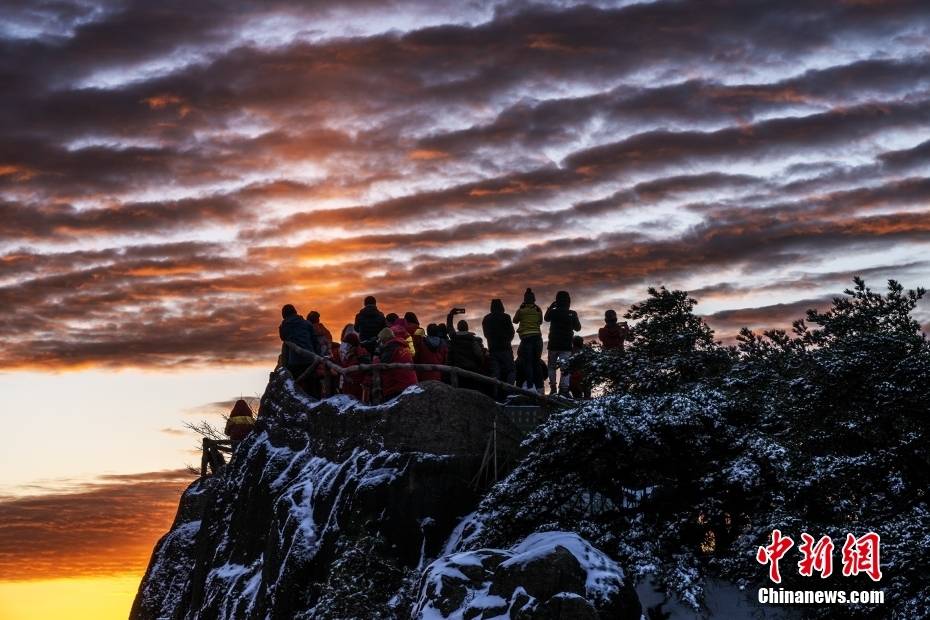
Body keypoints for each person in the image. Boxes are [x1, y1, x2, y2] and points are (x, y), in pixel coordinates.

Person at [544, 290, 581, 396]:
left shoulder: (553, 312)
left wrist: (551, 307)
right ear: (568, 301)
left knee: (551, 367)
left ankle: (553, 389)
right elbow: (578, 328)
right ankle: (564, 390)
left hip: (553, 344)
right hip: (566, 345)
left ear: (557, 301)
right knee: (565, 368)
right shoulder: (572, 314)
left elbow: (546, 318)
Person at [278, 305, 320, 392]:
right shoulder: (307, 323)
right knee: (313, 387)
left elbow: (283, 338)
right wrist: (318, 356)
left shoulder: (285, 325)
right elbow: (315, 342)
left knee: (296, 388)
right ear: (295, 312)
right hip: (310, 360)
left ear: (284, 315)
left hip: (294, 362)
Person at [513, 288, 544, 392]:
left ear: (524, 299)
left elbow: (515, 320)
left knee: (528, 364)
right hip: (538, 338)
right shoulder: (538, 309)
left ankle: (530, 387)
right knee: (537, 362)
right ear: (534, 299)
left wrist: (522, 309)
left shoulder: (521, 310)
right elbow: (540, 321)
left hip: (526, 339)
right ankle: (540, 388)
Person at [482, 299, 516, 394]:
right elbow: (512, 332)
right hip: (506, 348)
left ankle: (495, 394)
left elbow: (486, 334)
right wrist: (507, 340)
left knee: (495, 373)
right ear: (501, 306)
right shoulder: (506, 317)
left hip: (493, 349)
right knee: (511, 370)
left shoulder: (486, 319)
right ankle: (509, 393)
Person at [375, 327, 417, 400]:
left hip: (397, 388)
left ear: (384, 339)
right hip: (411, 384)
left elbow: (381, 365)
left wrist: (376, 357)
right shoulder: (402, 345)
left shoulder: (391, 347)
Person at [338, 331, 369, 401]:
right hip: (348, 387)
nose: (346, 346)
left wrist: (364, 384)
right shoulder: (349, 354)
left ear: (353, 344)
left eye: (348, 344)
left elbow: (368, 371)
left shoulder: (361, 354)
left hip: (357, 389)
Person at [569, 335, 591, 400]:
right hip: (584, 376)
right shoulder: (587, 349)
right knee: (586, 394)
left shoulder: (571, 352)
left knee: (577, 396)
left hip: (575, 378)